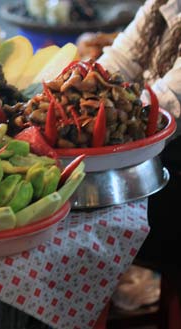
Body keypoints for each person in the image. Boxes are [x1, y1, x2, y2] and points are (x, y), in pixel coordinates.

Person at [97, 0, 181, 320]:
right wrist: (80, 89)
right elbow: (119, 62)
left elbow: (160, 111)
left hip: (173, 191)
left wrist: (90, 113)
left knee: (87, 221)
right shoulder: (163, 5)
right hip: (159, 166)